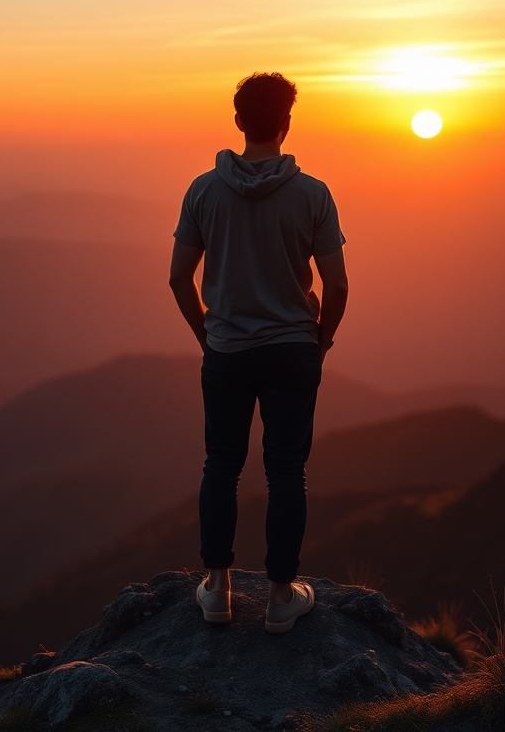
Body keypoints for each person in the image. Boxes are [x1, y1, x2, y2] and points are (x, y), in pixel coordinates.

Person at [169, 72, 349, 634]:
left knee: (221, 464)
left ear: (239, 120)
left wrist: (208, 335)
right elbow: (337, 286)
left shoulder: (202, 190)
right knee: (287, 472)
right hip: (294, 348)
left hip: (226, 349)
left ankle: (218, 591)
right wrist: (320, 340)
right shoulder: (313, 194)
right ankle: (278, 597)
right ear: (287, 122)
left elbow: (178, 279)